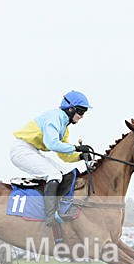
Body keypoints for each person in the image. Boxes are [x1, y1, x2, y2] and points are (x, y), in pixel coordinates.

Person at [11, 90, 95, 226]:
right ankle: (49, 216)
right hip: (21, 150)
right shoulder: (54, 117)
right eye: (81, 111)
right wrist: (76, 147)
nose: (82, 116)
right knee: (54, 174)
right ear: (71, 109)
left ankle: (63, 209)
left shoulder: (64, 126)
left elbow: (64, 155)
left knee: (67, 173)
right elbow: (52, 143)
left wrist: (79, 156)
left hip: (32, 151)